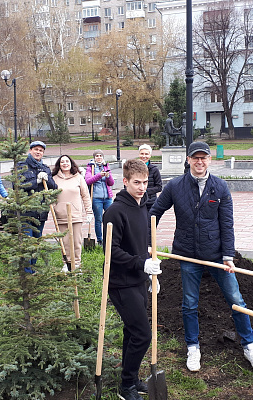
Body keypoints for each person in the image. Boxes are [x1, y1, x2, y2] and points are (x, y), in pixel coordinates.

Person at [150, 141, 253, 372]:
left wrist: (228, 255)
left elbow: (227, 224)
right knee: (189, 303)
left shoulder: (220, 187)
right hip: (187, 254)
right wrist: (147, 241)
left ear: (210, 160)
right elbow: (155, 211)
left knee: (236, 300)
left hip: (215, 255)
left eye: (204, 158)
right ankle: (193, 347)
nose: (199, 162)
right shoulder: (175, 186)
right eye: (195, 158)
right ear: (189, 160)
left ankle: (249, 344)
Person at [103, 158, 161, 400]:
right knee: (142, 334)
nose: (142, 187)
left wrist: (150, 266)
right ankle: (126, 387)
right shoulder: (115, 212)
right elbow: (111, 250)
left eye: (145, 182)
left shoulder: (143, 205)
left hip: (139, 279)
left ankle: (132, 377)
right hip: (119, 282)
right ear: (125, 181)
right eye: (136, 182)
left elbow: (140, 242)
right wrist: (141, 263)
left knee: (132, 332)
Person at [16, 141, 57, 270]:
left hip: (41, 212)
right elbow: (18, 186)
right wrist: (36, 181)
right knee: (28, 242)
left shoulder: (45, 168)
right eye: (36, 149)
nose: (38, 152)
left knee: (37, 241)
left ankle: (32, 269)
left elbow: (54, 187)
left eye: (41, 150)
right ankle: (26, 272)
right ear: (30, 150)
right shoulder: (21, 166)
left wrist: (47, 179)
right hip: (25, 212)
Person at [51, 155, 93, 271]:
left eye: (67, 161)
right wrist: (55, 208)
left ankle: (77, 264)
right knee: (64, 242)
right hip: (61, 215)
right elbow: (50, 196)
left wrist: (89, 212)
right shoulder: (54, 178)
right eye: (62, 162)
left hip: (75, 215)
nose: (65, 163)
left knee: (76, 241)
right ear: (59, 164)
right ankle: (66, 263)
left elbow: (85, 196)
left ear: (71, 163)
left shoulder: (78, 177)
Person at [85, 149, 114, 245]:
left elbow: (111, 183)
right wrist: (99, 175)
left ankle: (111, 237)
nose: (99, 157)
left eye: (100, 156)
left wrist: (108, 176)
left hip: (107, 197)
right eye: (97, 156)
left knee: (111, 217)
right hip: (96, 198)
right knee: (99, 219)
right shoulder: (90, 167)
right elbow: (88, 181)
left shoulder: (106, 166)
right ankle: (100, 239)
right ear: (94, 157)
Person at [138, 144, 162, 211]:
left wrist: (144, 191)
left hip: (150, 202)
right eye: (142, 154)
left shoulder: (154, 170)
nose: (144, 156)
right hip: (137, 202)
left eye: (146, 154)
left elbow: (159, 187)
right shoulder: (133, 169)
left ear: (150, 155)